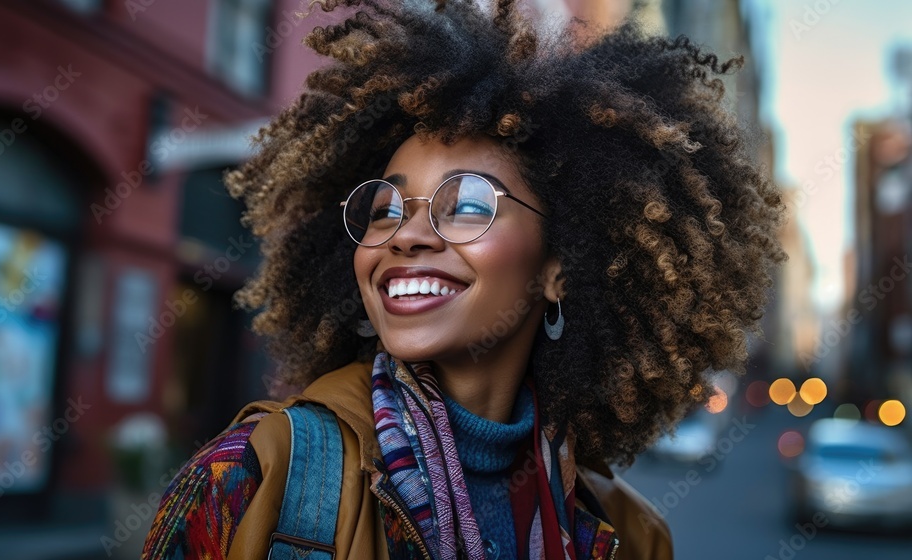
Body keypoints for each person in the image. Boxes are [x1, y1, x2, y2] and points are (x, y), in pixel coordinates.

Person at [141, 0, 788, 558]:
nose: (407, 234)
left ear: (560, 269)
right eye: (385, 208)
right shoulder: (256, 478)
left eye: (470, 204)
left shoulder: (628, 537)